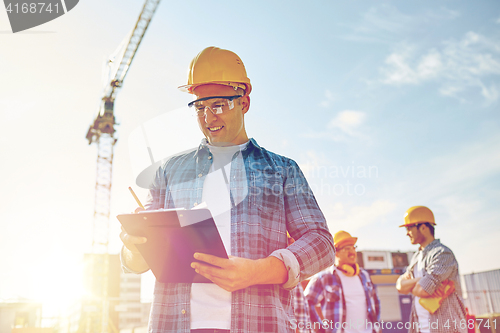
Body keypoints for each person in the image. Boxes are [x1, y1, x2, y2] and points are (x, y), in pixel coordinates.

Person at [120, 46, 335, 333]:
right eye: (199, 107)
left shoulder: (283, 171)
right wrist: (133, 247)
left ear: (244, 102)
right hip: (173, 324)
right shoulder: (168, 172)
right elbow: (137, 262)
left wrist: (257, 272)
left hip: (259, 324)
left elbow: (321, 244)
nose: (208, 118)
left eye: (218, 105)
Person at [396, 206, 467, 333]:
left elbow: (422, 290)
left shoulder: (442, 254)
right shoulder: (416, 257)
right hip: (421, 329)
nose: (407, 233)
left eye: (409, 228)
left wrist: (414, 285)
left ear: (423, 227)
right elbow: (400, 286)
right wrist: (420, 280)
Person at [304, 231, 381, 333]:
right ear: (336, 252)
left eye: (353, 248)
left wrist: (376, 326)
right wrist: (320, 328)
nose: (352, 252)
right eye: (347, 248)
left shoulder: (365, 276)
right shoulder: (324, 278)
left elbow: (375, 302)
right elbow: (306, 303)